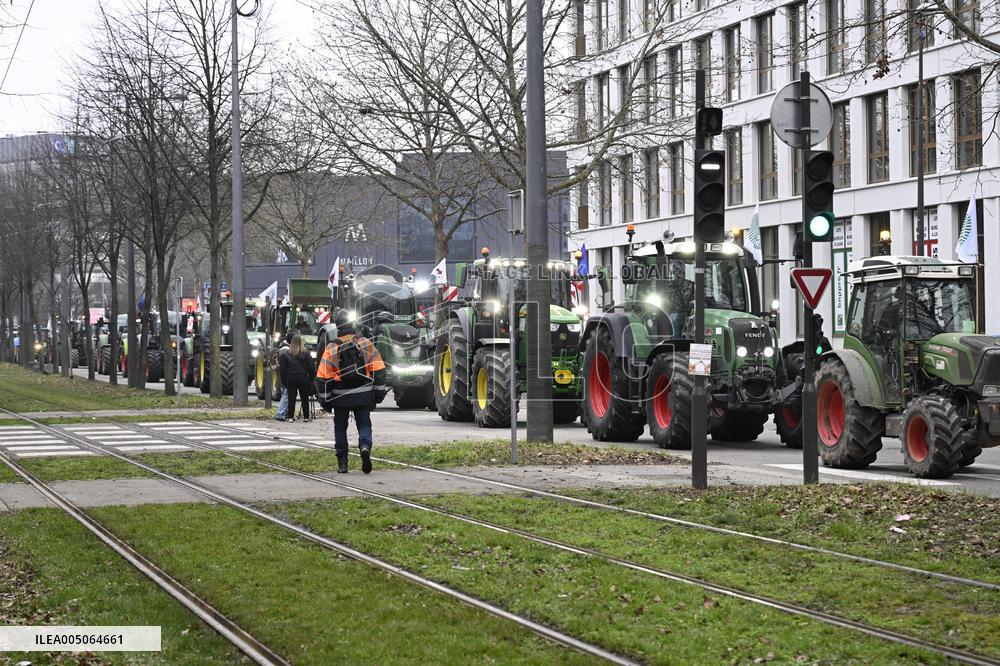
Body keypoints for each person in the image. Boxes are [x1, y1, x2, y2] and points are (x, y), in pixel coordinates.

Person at [316, 310, 386, 474]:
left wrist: (326, 402)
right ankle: (364, 447)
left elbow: (322, 377)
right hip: (363, 393)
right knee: (364, 423)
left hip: (341, 396)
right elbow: (379, 370)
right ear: (353, 324)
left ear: (337, 326)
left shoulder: (331, 347)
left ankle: (343, 463)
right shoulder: (365, 343)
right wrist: (377, 395)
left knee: (340, 427)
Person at [278, 334, 315, 422]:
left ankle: (290, 417)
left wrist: (284, 381)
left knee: (291, 398)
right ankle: (306, 417)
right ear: (301, 342)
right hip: (303, 377)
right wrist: (311, 378)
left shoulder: (286, 353)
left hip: (291, 378)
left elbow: (282, 369)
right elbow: (311, 367)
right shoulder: (306, 352)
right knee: (304, 398)